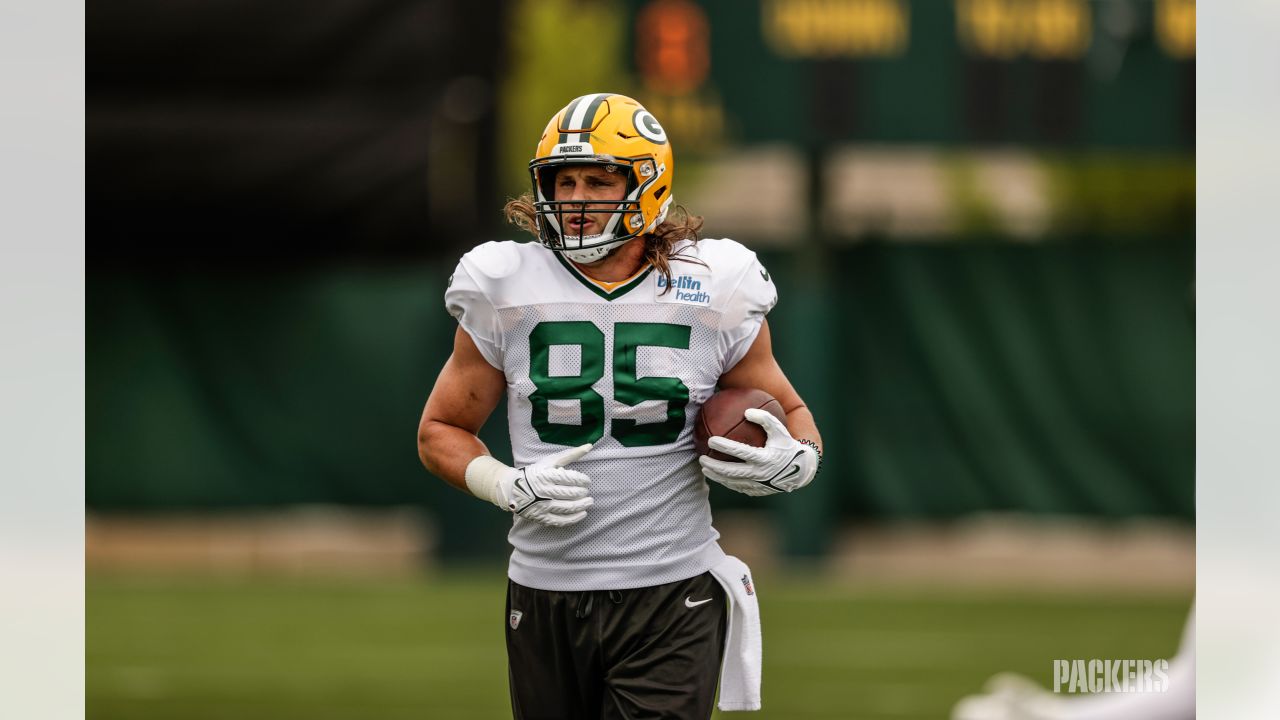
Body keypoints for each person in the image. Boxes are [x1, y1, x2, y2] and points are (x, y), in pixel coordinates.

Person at [417, 92, 823, 719]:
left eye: (599, 180)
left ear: (648, 184)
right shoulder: (502, 283)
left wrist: (800, 458)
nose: (576, 198)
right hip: (544, 585)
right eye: (564, 180)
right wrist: (503, 483)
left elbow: (794, 414)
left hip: (671, 589)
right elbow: (440, 429)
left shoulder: (714, 283)